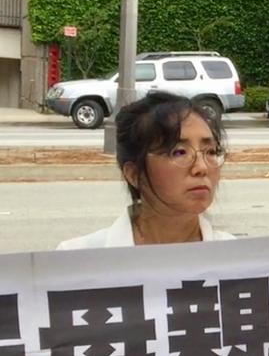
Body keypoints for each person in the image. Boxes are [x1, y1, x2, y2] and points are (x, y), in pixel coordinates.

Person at [58, 92, 233, 249]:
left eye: (211, 152)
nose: (201, 168)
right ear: (134, 174)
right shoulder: (79, 261)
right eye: (179, 152)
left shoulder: (239, 260)